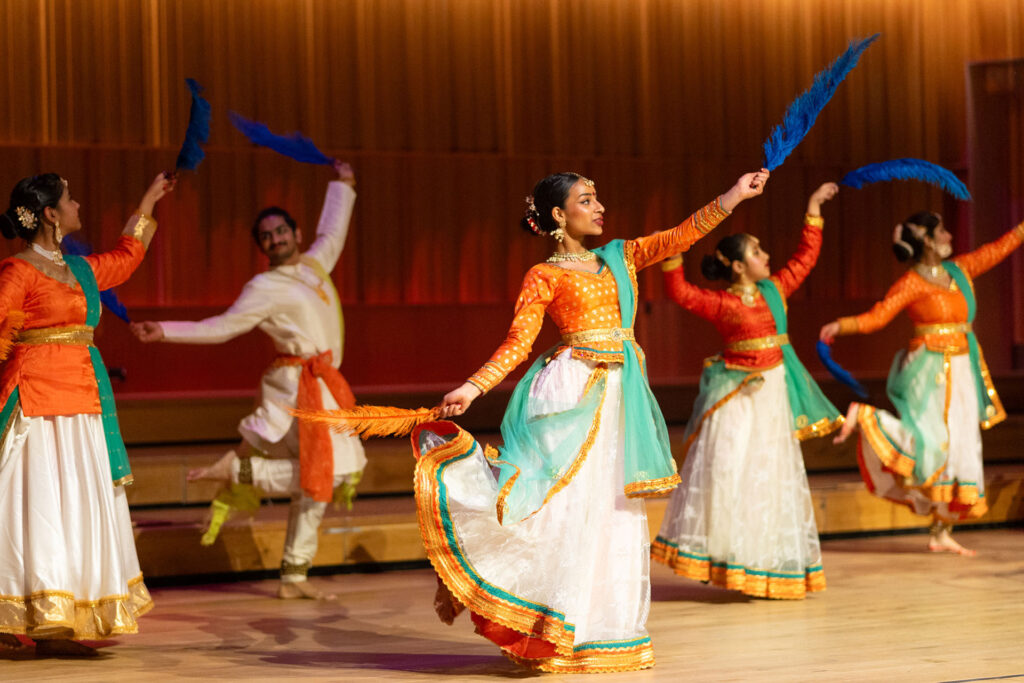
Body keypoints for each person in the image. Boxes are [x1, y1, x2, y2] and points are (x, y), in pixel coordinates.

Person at [414, 168, 769, 673]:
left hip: (618, 397)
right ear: (559, 216)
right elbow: (518, 342)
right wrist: (473, 386)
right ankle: (548, 625)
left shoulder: (619, 257)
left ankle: (600, 629)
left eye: (598, 197)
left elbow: (680, 235)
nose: (599, 207)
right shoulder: (546, 276)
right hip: (570, 396)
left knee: (612, 511)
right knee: (561, 509)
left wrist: (735, 195)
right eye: (586, 200)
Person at [130, 160, 365, 598]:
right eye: (266, 236)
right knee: (325, 475)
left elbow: (333, 232)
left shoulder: (316, 265)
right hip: (294, 391)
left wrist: (343, 184)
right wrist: (165, 329)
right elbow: (222, 327)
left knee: (321, 482)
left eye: (281, 231)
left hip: (325, 387)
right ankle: (241, 471)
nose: (275, 239)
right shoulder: (264, 286)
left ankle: (294, 574)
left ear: (295, 234)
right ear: (262, 246)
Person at [0, 171, 174, 655]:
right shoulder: (17, 272)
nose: (79, 206)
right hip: (35, 404)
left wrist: (148, 199)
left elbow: (125, 257)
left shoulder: (78, 269)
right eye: (70, 200)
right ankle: (11, 616)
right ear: (51, 214)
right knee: (30, 508)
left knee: (74, 507)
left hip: (83, 405)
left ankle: (62, 619)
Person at [651, 183, 842, 600]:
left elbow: (804, 258)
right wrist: (671, 253)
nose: (767, 257)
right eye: (757, 252)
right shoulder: (720, 303)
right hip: (734, 396)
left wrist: (812, 207)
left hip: (772, 394)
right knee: (726, 472)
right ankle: (723, 557)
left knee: (768, 475)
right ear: (738, 266)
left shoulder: (775, 289)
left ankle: (763, 561)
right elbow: (680, 293)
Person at [820, 213, 1024, 556]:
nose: (948, 236)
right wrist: (843, 325)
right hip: (927, 372)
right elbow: (878, 316)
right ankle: (866, 417)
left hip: (962, 367)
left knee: (962, 445)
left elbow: (998, 249)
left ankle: (941, 531)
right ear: (928, 240)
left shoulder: (960, 270)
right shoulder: (911, 283)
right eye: (942, 231)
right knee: (932, 441)